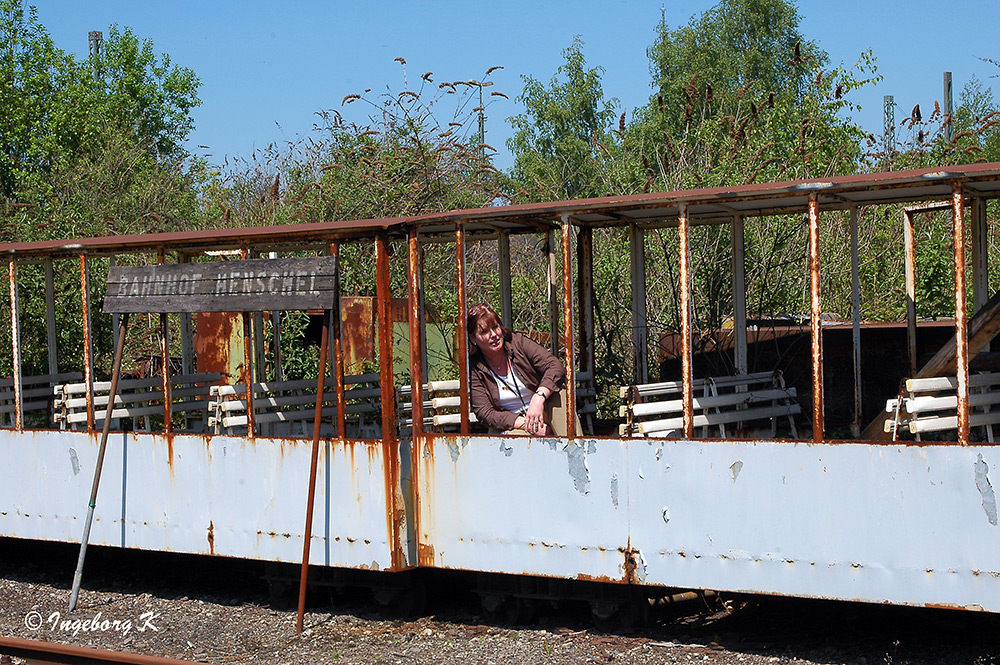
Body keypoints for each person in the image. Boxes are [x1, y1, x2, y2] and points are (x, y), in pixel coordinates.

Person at [467, 303, 581, 436]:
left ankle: (578, 452)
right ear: (473, 338)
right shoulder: (474, 368)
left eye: (495, 327)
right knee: (511, 441)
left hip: (543, 407)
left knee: (560, 397)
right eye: (484, 331)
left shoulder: (518, 343)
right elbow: (484, 413)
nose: (493, 335)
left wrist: (538, 398)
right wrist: (528, 425)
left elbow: (555, 366)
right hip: (513, 423)